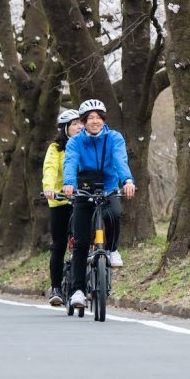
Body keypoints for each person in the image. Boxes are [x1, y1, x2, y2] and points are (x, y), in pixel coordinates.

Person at [62, 98, 136, 309]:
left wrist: (128, 181)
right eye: (90, 118)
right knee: (81, 242)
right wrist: (68, 183)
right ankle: (77, 290)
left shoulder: (114, 138)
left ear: (103, 119)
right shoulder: (75, 141)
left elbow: (120, 160)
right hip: (83, 189)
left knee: (114, 213)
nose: (95, 121)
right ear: (84, 121)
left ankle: (112, 249)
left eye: (98, 117)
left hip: (109, 185)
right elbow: (70, 162)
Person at [42, 109, 83, 306]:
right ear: (65, 128)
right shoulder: (55, 148)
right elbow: (50, 169)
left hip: (82, 199)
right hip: (60, 200)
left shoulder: (85, 144)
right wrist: (49, 188)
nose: (79, 127)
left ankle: (83, 284)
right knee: (59, 244)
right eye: (74, 124)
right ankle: (56, 288)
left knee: (81, 242)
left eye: (80, 123)